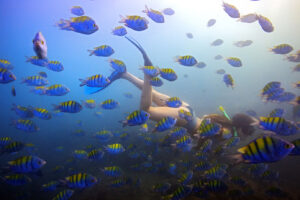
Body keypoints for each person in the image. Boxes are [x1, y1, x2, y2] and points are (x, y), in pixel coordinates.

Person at [93, 36, 256, 138]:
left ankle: (124, 74)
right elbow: (205, 133)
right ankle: (149, 73)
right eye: (248, 133)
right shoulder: (227, 133)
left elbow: (206, 118)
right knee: (145, 111)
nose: (247, 136)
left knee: (153, 92)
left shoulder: (224, 120)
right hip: (185, 119)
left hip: (185, 108)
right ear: (242, 129)